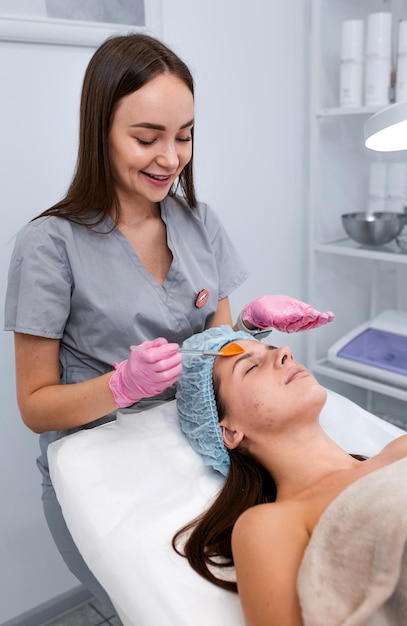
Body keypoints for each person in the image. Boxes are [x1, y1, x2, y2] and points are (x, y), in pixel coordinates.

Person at [4, 34, 333, 609]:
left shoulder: (198, 222)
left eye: (183, 136)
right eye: (146, 138)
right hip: (103, 464)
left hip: (192, 445)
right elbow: (35, 406)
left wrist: (248, 331)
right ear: (99, 130)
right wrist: (119, 386)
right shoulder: (48, 244)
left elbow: (219, 356)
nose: (171, 158)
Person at [173, 325, 407, 626]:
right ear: (230, 430)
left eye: (275, 350)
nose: (286, 353)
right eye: (250, 367)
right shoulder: (268, 525)